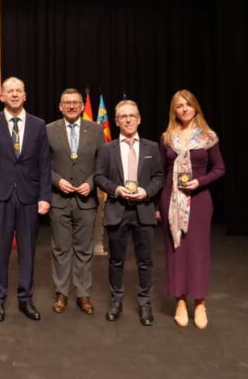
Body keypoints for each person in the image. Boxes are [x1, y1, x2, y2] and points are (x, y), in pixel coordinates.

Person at [0, 77, 51, 322]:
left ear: (25, 95)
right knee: (0, 253)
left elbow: (44, 164)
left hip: (29, 198)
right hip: (0, 198)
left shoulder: (38, 125)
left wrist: (44, 196)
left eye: (18, 91)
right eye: (9, 91)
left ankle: (25, 299)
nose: (14, 94)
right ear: (2, 96)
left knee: (27, 252)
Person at [158, 89, 225, 329]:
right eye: (179, 106)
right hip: (171, 199)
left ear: (195, 107)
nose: (184, 109)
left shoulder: (208, 137)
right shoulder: (167, 137)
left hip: (199, 200)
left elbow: (219, 169)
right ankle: (179, 301)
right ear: (174, 111)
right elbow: (161, 172)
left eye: (188, 104)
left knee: (198, 251)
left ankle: (199, 303)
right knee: (176, 250)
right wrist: (157, 205)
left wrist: (200, 182)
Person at [94, 100, 163, 326]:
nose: (128, 120)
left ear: (139, 119)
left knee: (145, 261)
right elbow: (99, 176)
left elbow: (159, 177)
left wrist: (146, 191)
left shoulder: (152, 147)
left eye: (132, 115)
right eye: (123, 116)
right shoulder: (107, 149)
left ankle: (145, 303)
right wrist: (115, 189)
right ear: (116, 121)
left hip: (144, 210)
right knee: (116, 260)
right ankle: (116, 300)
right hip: (117, 210)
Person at [46, 88, 104, 315]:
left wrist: (91, 182)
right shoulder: (48, 130)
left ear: (81, 107)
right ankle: (61, 293)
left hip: (86, 200)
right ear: (60, 107)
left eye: (76, 103)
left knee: (84, 249)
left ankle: (83, 294)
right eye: (67, 103)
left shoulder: (96, 130)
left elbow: (102, 163)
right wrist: (57, 181)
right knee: (61, 249)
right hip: (58, 199)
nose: (71, 106)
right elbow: (42, 164)